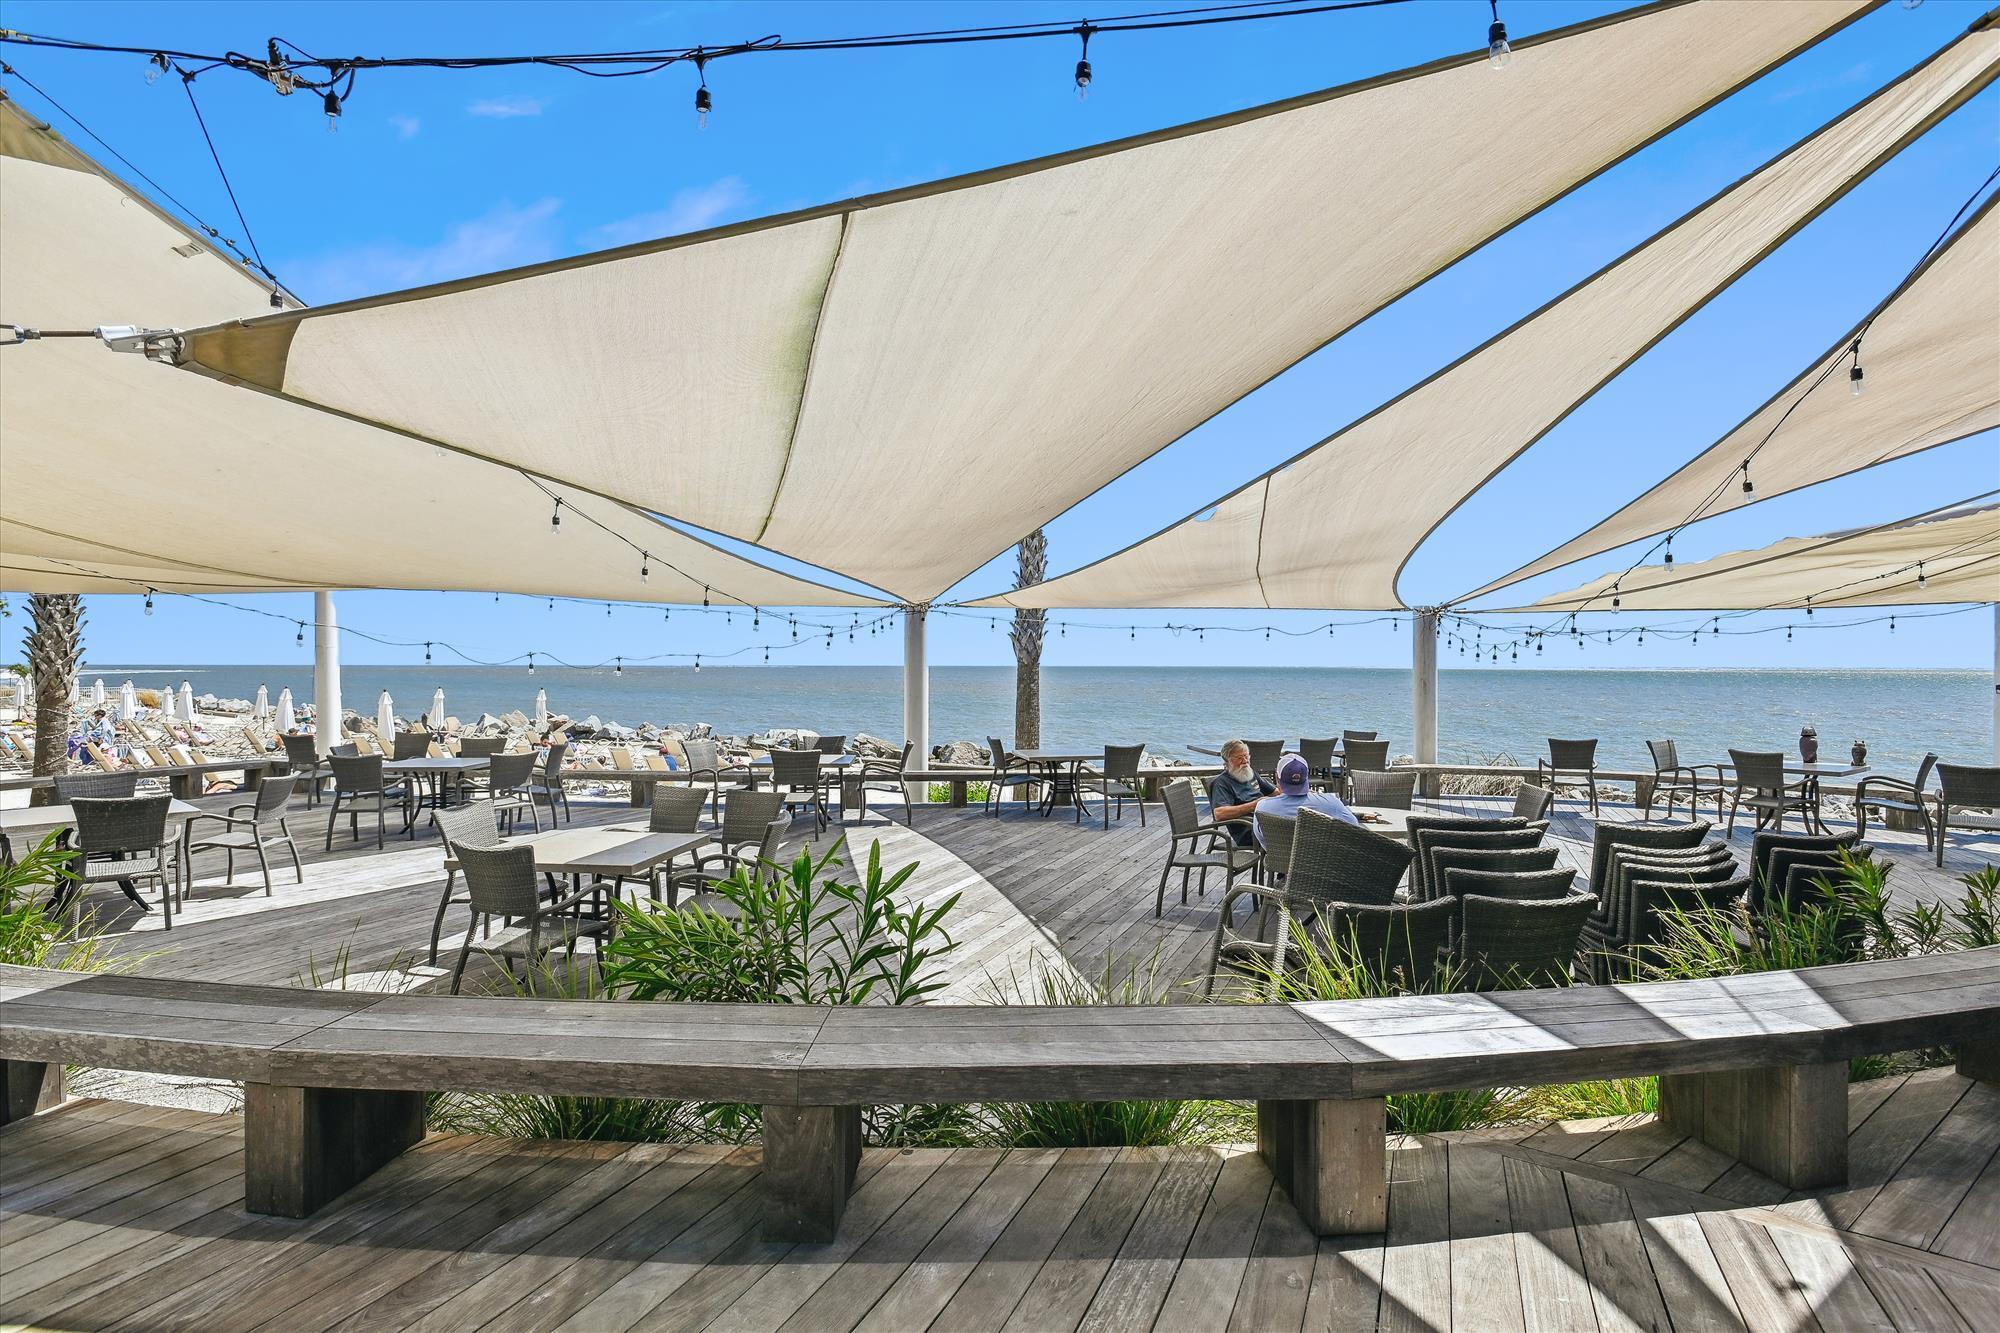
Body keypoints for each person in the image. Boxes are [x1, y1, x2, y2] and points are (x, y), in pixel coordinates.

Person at [1253, 753, 1359, 845]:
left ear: (1277, 778)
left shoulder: (1263, 807)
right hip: (1322, 864)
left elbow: (1263, 841)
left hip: (1280, 864)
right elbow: (1355, 829)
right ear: (1307, 778)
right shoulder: (1331, 803)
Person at [1207, 739, 1273, 846]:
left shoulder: (1250, 773)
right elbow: (1219, 814)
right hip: (1248, 830)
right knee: (1289, 834)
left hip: (1264, 822)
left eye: (1246, 756)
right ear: (1227, 761)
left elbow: (1276, 792)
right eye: (1239, 758)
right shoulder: (1222, 783)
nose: (1245, 761)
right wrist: (1254, 805)